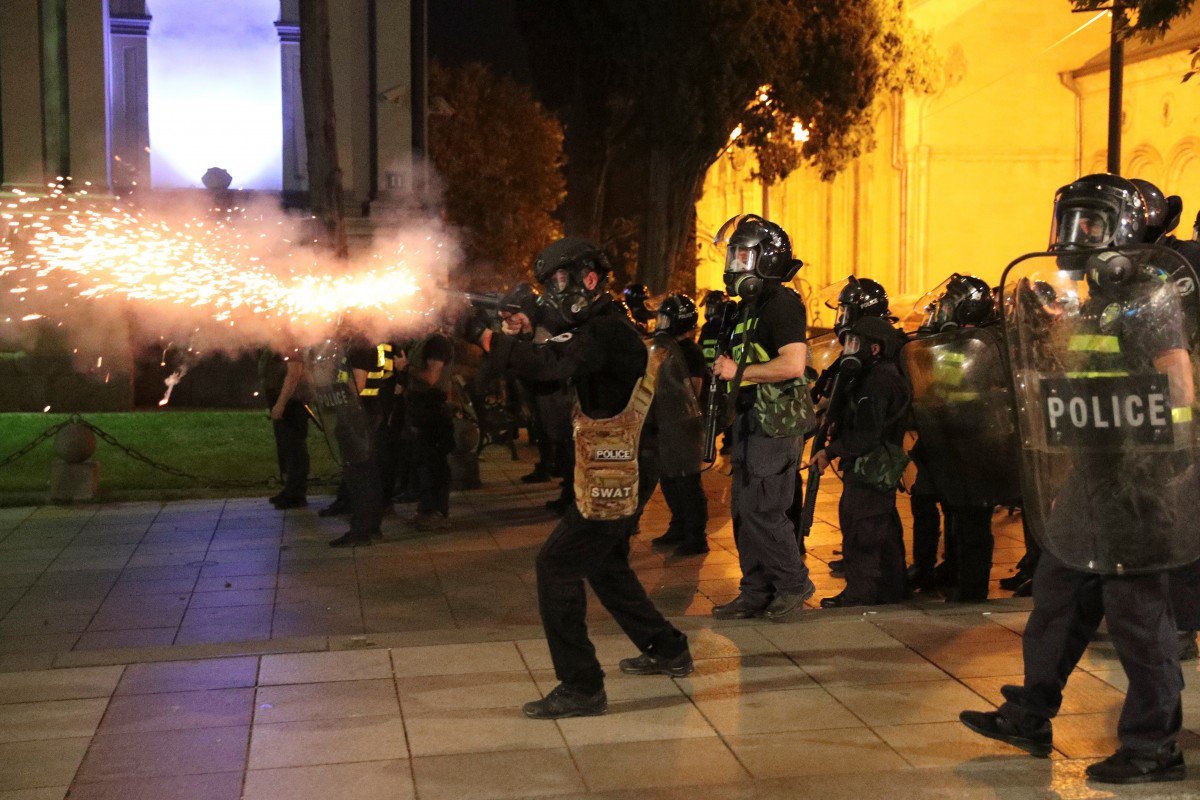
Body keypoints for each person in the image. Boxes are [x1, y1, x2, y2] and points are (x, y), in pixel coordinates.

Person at [961, 173, 1199, 784]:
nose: (1076, 236)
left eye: (1089, 222)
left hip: (1137, 481)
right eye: (1070, 221)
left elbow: (1177, 386)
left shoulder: (1147, 295)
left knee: (1136, 613)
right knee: (1059, 595)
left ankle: (1153, 746)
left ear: (1124, 228)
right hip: (1093, 475)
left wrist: (1160, 455)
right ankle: (1030, 714)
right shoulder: (1099, 299)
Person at [467, 236, 692, 720]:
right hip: (619, 462)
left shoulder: (606, 330)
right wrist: (522, 334)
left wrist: (495, 340)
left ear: (589, 279)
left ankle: (582, 685)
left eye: (558, 282)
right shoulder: (597, 326)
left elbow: (553, 365)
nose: (551, 293)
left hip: (622, 464)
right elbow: (549, 364)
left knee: (557, 565)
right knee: (604, 564)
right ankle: (668, 647)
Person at [709, 214, 815, 621]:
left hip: (776, 422)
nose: (733, 263)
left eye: (741, 254)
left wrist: (740, 372)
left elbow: (792, 364)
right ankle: (755, 591)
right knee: (744, 509)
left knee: (765, 509)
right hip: (751, 420)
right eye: (732, 254)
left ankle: (792, 583)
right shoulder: (746, 308)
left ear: (765, 260)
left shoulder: (783, 304)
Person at [910, 274, 1011, 603]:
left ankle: (972, 589)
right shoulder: (957, 342)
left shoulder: (986, 343)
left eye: (949, 307)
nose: (943, 313)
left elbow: (966, 386)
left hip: (977, 443)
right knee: (952, 510)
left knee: (972, 519)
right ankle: (950, 571)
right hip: (951, 437)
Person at [809, 316, 909, 606]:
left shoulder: (878, 380)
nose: (849, 349)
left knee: (862, 530)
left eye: (855, 343)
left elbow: (867, 433)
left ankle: (860, 594)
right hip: (873, 465)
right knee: (882, 530)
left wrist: (831, 452)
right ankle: (891, 590)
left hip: (872, 467)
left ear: (875, 349)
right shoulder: (875, 375)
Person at [647, 293, 709, 556]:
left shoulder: (690, 352)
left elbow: (693, 390)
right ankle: (678, 525)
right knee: (669, 478)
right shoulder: (667, 349)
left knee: (687, 482)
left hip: (684, 424)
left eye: (665, 318)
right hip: (667, 423)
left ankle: (696, 536)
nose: (660, 323)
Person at [324, 329, 394, 547]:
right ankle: (371, 527)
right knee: (368, 471)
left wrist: (335, 391)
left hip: (359, 415)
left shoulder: (361, 346)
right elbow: (388, 374)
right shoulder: (373, 341)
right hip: (369, 411)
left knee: (359, 474)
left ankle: (361, 531)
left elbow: (358, 385)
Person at [405, 329, 455, 530]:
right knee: (425, 461)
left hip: (432, 408)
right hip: (424, 407)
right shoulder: (424, 340)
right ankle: (427, 509)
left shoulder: (437, 343)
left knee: (434, 463)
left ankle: (437, 511)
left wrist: (407, 368)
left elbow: (432, 377)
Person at [259, 347, 310, 509]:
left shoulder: (291, 339)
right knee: (287, 447)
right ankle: (290, 490)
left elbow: (294, 373)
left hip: (292, 402)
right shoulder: (280, 339)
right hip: (284, 399)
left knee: (295, 448)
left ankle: (296, 494)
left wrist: (281, 404)